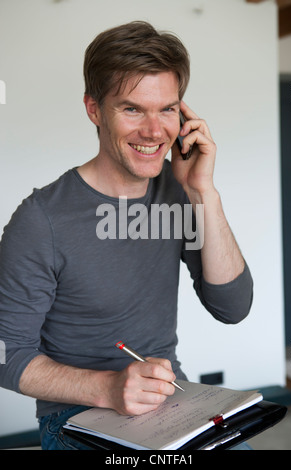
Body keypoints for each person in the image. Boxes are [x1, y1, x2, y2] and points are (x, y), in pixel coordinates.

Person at [0, 21, 253, 450]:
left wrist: (203, 192)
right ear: (94, 110)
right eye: (133, 109)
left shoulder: (178, 192)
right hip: (75, 416)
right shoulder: (40, 219)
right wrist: (109, 388)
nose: (155, 132)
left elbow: (232, 307)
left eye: (167, 109)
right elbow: (6, 355)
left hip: (172, 404)